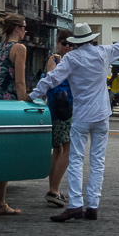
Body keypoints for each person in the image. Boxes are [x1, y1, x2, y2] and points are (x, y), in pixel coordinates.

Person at [33, 11, 119, 222]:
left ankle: (76, 204)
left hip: (82, 115)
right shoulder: (103, 52)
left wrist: (32, 94)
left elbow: (52, 78)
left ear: (75, 41)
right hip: (102, 115)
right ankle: (93, 205)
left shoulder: (72, 58)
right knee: (97, 161)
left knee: (76, 159)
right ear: (91, 39)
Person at [0, 15, 29, 215]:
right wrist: (25, 101)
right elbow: (19, 82)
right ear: (17, 28)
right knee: (8, 153)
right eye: (24, 28)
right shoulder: (19, 49)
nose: (26, 31)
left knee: (0, 151)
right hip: (10, 104)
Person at [44, 31, 74, 208]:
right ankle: (53, 189)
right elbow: (52, 80)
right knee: (63, 148)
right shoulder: (54, 60)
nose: (67, 47)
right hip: (60, 108)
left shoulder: (71, 59)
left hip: (68, 106)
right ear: (57, 43)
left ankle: (53, 189)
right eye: (64, 43)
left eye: (70, 44)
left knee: (59, 149)